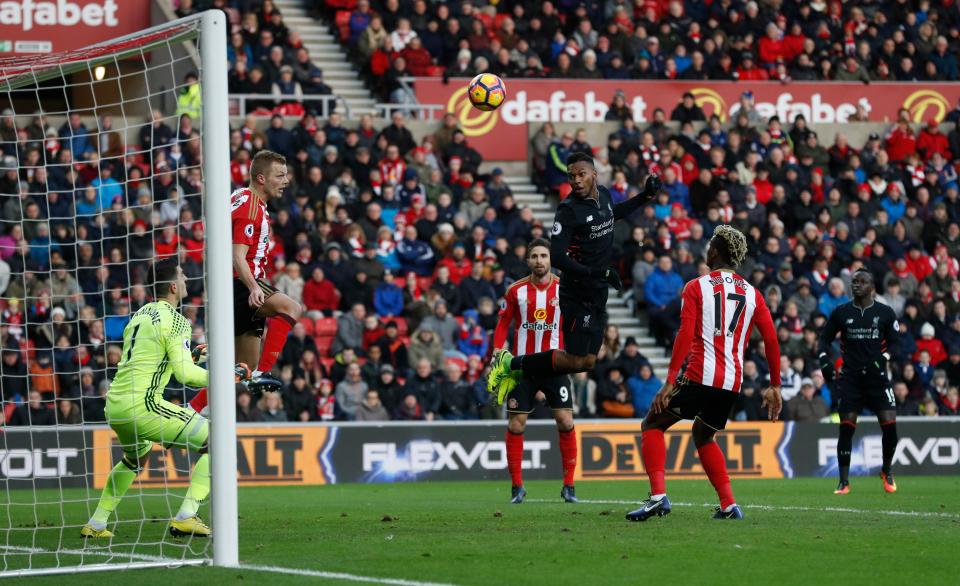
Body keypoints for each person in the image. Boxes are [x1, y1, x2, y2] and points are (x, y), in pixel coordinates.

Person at [626, 225, 782, 522]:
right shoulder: (753, 294)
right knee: (703, 434)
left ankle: (658, 497)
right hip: (731, 381)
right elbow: (771, 340)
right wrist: (775, 384)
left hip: (701, 373)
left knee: (653, 423)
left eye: (710, 244)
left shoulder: (696, 286)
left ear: (715, 251)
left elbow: (685, 335)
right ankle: (729, 505)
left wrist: (670, 380)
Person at [81, 261, 247, 539]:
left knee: (135, 459)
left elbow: (152, 358)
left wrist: (193, 354)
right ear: (173, 286)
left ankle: (96, 524)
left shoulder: (139, 315)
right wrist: (227, 376)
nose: (185, 280)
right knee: (219, 440)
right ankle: (186, 515)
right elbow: (186, 376)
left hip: (115, 404)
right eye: (182, 276)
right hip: (143, 406)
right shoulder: (178, 320)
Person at [488, 153, 660, 395]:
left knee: (588, 362)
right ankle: (511, 364)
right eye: (571, 176)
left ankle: (523, 368)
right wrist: (599, 272)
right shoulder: (568, 210)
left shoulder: (604, 194)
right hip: (576, 292)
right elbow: (557, 257)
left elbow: (613, 213)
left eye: (581, 174)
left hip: (598, 289)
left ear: (594, 174)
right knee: (577, 359)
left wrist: (646, 196)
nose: (576, 180)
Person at [189, 150, 303, 414]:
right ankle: (258, 369)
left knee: (242, 370)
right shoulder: (250, 208)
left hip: (232, 283)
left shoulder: (241, 195)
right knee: (292, 308)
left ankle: (191, 409)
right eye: (280, 175)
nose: (285, 180)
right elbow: (236, 255)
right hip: (241, 283)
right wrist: (253, 287)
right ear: (261, 178)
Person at [491, 239, 577, 504]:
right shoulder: (515, 291)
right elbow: (503, 322)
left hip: (555, 364)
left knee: (565, 421)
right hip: (522, 366)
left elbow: (574, 321)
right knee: (516, 423)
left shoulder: (565, 289)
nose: (539, 260)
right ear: (527, 260)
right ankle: (517, 486)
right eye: (534, 256)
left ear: (551, 260)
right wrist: (496, 350)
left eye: (543, 256)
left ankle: (569, 486)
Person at [817, 269, 900, 495]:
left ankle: (886, 470)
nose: (856, 285)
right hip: (850, 379)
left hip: (877, 379)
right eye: (854, 282)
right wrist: (824, 360)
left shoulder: (884, 312)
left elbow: (896, 344)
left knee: (890, 429)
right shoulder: (841, 312)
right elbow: (824, 338)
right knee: (846, 429)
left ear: (872, 287)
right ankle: (844, 482)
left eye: (862, 282)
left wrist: (884, 359)